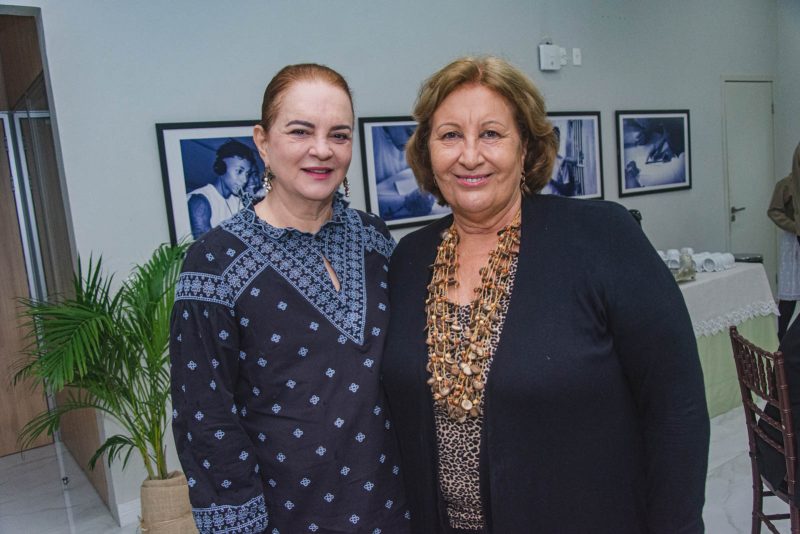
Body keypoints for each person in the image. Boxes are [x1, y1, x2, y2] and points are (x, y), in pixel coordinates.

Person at [382, 56, 709, 533]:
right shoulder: (409, 260)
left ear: (526, 148)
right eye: (450, 135)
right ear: (427, 150)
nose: (469, 156)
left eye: (491, 134)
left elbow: (676, 408)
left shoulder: (602, 238)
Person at [170, 63, 409, 533]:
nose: (322, 149)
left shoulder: (376, 240)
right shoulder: (214, 262)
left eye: (339, 135)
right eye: (300, 131)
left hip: (398, 505)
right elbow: (205, 418)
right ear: (262, 142)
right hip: (290, 514)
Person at [187, 139, 259, 239]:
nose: (244, 180)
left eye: (247, 174)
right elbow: (205, 245)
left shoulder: (238, 202)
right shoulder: (200, 202)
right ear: (221, 168)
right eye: (239, 171)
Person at [768, 174, 800, 339]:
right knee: (789, 294)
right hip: (793, 241)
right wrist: (794, 226)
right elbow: (774, 211)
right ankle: (780, 337)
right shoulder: (786, 184)